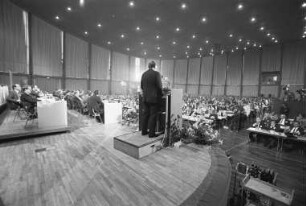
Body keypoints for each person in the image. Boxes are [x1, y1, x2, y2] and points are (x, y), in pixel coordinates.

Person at [140, 61, 163, 138]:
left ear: (148, 66)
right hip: (153, 99)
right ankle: (151, 134)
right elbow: (160, 87)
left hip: (145, 98)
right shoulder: (156, 74)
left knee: (145, 115)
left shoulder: (144, 74)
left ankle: (143, 131)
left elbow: (142, 86)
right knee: (152, 116)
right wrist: (161, 94)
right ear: (155, 66)